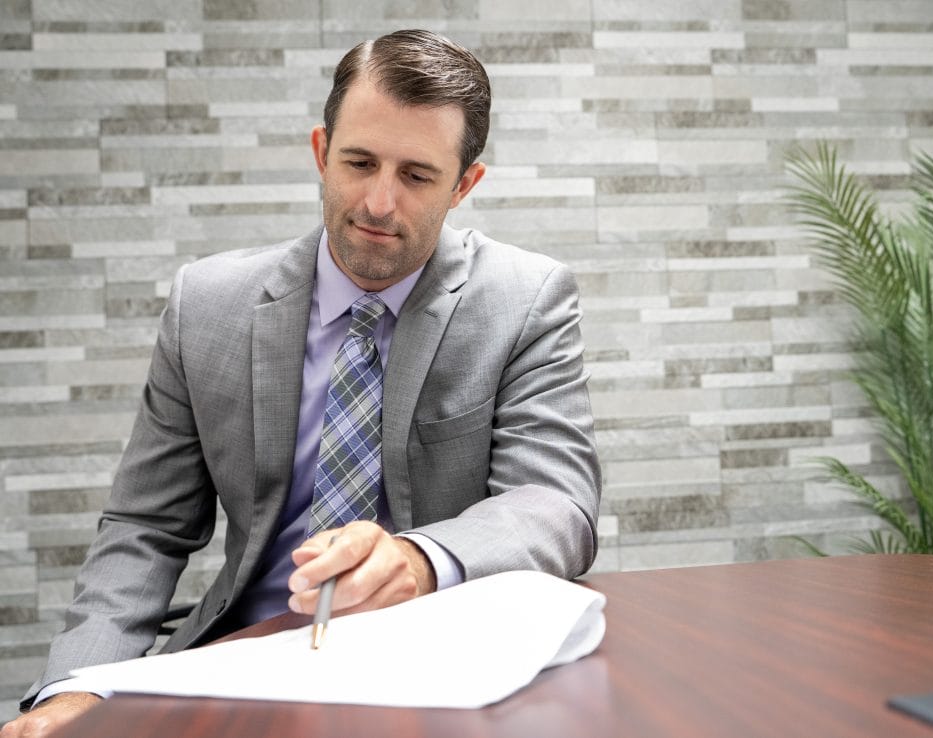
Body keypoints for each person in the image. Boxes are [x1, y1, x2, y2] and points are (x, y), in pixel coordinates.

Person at [4, 29, 600, 737]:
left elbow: (555, 502)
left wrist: (420, 559)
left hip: (444, 668)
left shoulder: (525, 299)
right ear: (321, 153)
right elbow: (146, 527)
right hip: (244, 658)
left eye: (416, 176)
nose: (379, 203)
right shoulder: (207, 304)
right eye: (358, 162)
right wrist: (79, 684)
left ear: (463, 185)